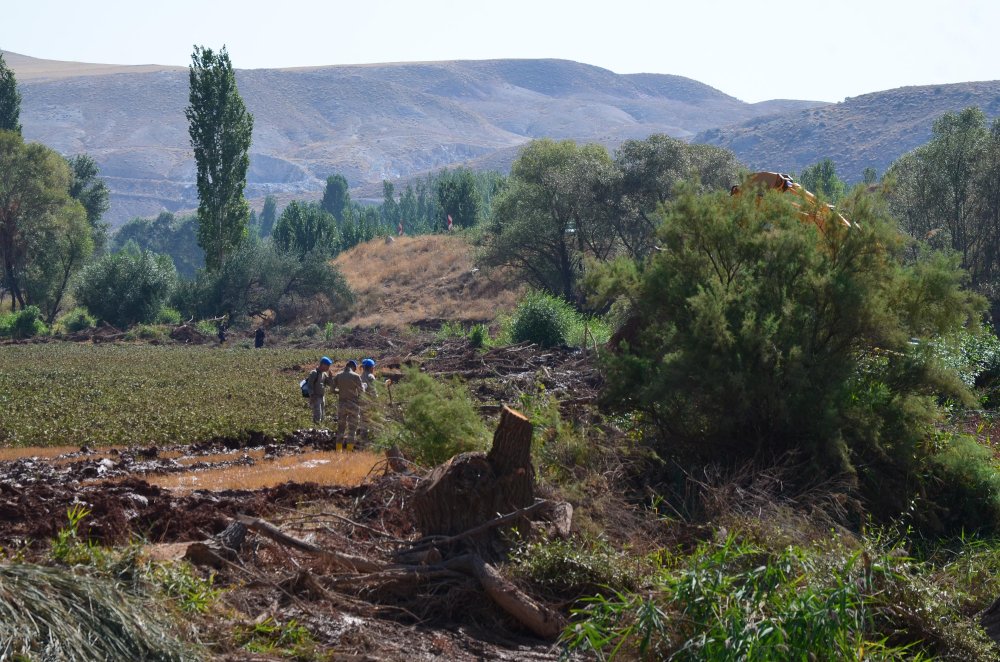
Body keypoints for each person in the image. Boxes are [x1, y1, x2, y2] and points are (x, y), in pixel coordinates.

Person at [332, 359, 364, 447]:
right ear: (353, 367)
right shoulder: (356, 376)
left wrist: (340, 392)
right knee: (352, 429)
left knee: (340, 428)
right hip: (353, 404)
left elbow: (332, 390)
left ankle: (338, 450)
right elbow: (361, 392)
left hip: (341, 404)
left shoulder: (338, 375)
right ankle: (349, 450)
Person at [306, 356, 333, 425]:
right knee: (317, 415)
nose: (328, 367)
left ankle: (320, 428)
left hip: (322, 397)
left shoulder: (324, 374)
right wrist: (312, 396)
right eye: (327, 365)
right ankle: (316, 428)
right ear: (323, 365)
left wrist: (330, 377)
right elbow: (309, 386)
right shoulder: (314, 373)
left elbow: (330, 384)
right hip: (315, 397)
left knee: (322, 415)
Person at [359, 358, 378, 440]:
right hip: (370, 402)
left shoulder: (360, 376)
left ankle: (363, 438)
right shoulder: (370, 376)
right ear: (371, 367)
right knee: (374, 420)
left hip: (362, 401)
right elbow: (374, 391)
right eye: (373, 367)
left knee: (364, 421)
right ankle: (373, 438)